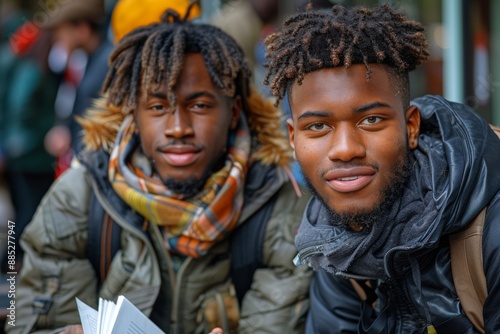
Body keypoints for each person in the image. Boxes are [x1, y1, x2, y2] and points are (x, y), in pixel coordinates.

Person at [10, 5, 311, 334]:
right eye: (157, 107)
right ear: (134, 116)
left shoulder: (279, 208)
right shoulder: (80, 197)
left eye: (199, 105)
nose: (178, 128)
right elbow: (32, 323)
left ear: (234, 111)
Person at [264, 3, 500, 333]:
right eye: (318, 126)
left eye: (372, 120)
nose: (345, 149)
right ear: (293, 138)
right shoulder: (332, 242)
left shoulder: (491, 230)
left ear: (412, 127)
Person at [0, 20, 59, 273]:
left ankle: (9, 264)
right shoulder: (35, 69)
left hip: (22, 154)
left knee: (22, 211)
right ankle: (10, 265)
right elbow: (21, 108)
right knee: (28, 213)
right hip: (30, 157)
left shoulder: (25, 66)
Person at [43, 0, 113, 164]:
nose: (57, 38)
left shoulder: (107, 64)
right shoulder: (86, 61)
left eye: (62, 31)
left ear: (82, 29)